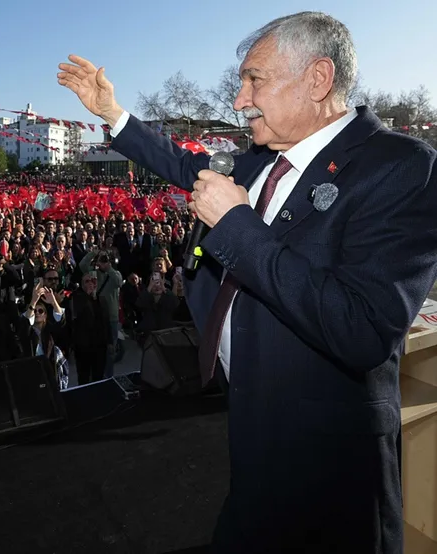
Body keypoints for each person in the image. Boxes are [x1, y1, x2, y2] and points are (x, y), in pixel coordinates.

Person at [59, 11, 437, 554]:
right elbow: (185, 167)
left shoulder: (402, 168)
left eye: (254, 80)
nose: (239, 100)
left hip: (329, 458)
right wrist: (113, 115)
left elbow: (362, 329)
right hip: (250, 422)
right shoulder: (262, 160)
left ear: (317, 79)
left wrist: (237, 225)